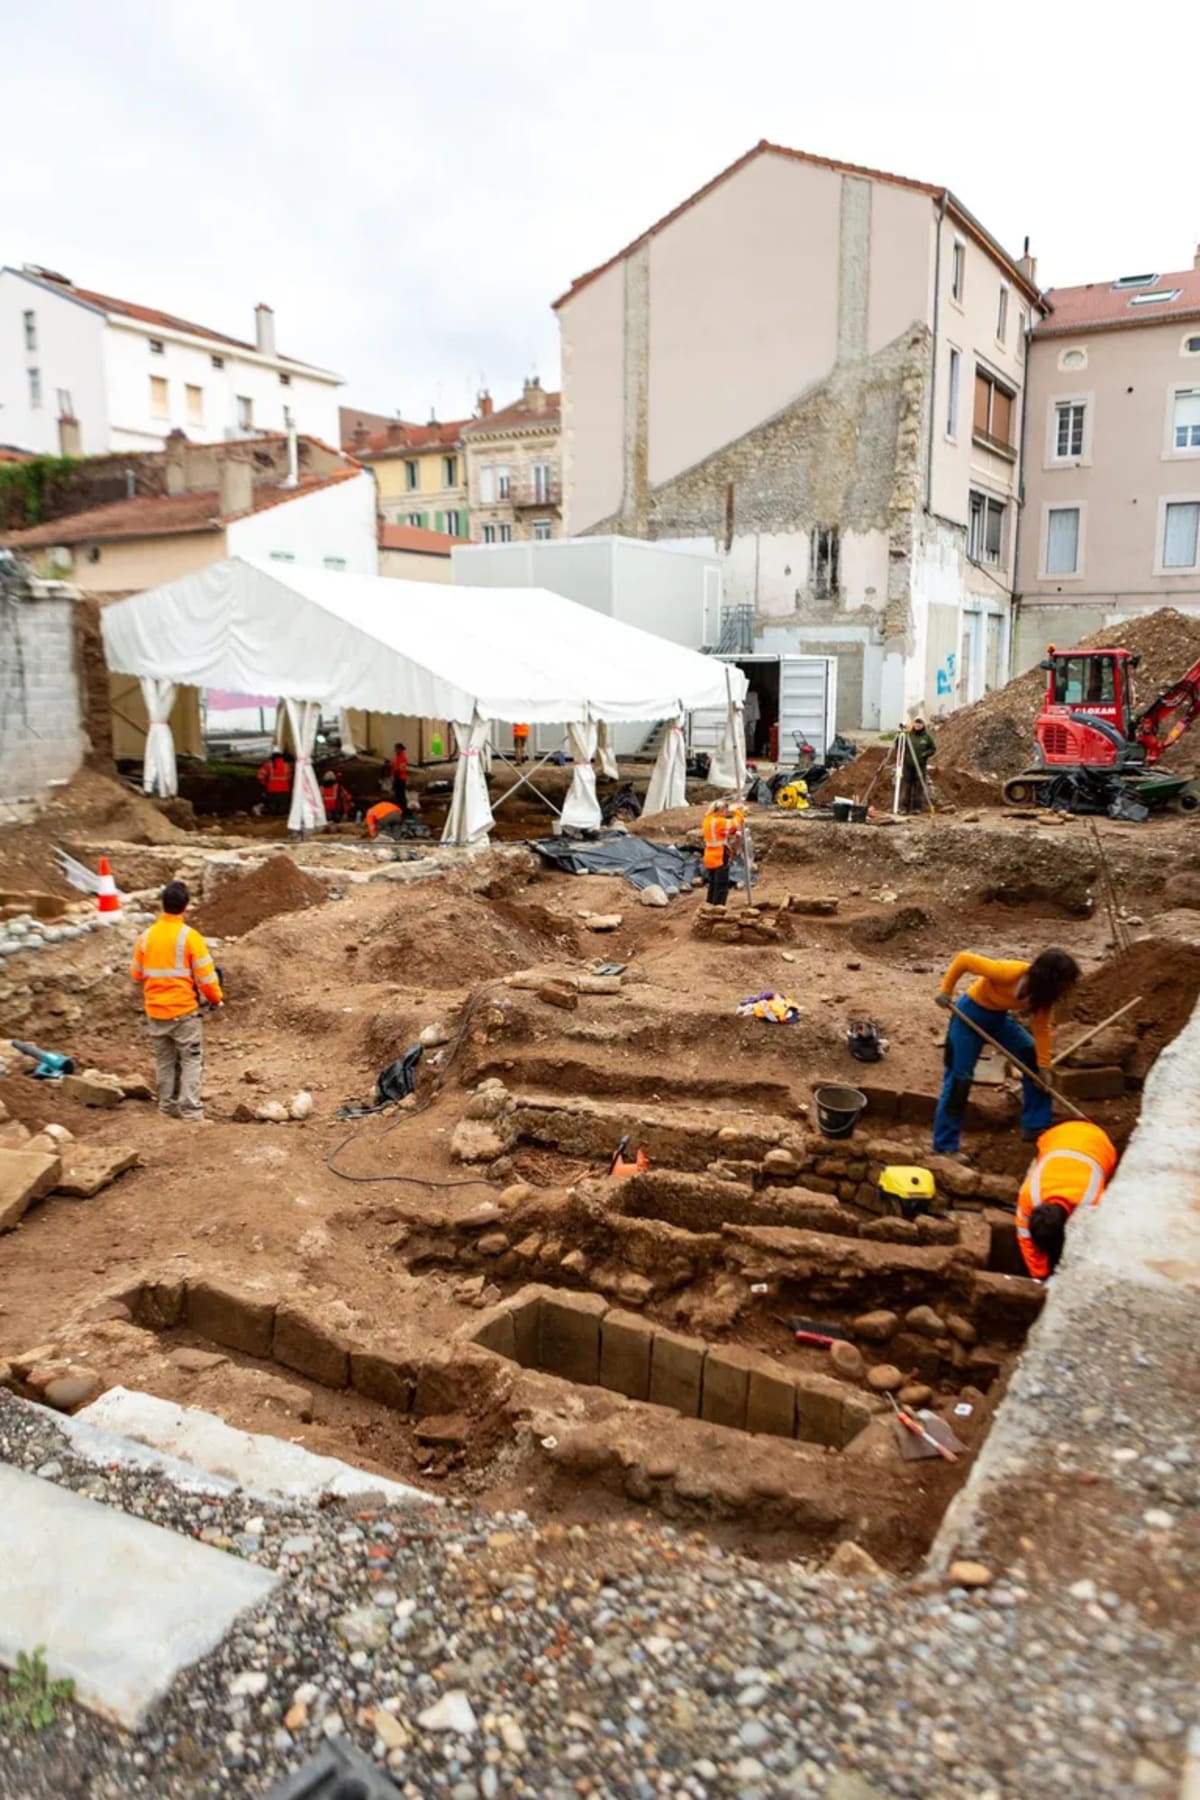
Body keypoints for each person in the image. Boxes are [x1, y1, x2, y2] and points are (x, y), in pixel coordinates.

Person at [932, 948, 1080, 1156]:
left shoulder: (1043, 997)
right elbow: (963, 960)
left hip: (998, 1019)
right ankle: (945, 1146)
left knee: (1034, 1064)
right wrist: (946, 991)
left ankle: (1035, 1126)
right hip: (968, 1015)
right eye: (1065, 983)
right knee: (959, 1081)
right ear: (1050, 979)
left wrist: (1044, 1066)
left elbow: (1042, 1030)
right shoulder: (1009, 972)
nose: (1067, 989)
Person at [130, 881, 222, 1123]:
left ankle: (167, 1108)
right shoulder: (190, 937)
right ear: (186, 907)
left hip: (155, 1011)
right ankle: (191, 1113)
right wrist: (216, 999)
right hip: (184, 1012)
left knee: (165, 1061)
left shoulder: (146, 937)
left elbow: (136, 974)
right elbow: (207, 978)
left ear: (162, 904)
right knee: (191, 1060)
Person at [1015, 1121, 1118, 1280]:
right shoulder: (1029, 1195)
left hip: (1100, 1143)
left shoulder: (1093, 1203)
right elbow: (1024, 1236)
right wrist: (1040, 1275)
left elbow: (1091, 1246)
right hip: (1055, 1135)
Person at [702, 799, 740, 906]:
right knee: (721, 885)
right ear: (719, 810)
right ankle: (718, 908)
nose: (725, 814)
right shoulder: (718, 821)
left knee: (713, 884)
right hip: (719, 855)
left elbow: (727, 830)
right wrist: (739, 812)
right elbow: (734, 824)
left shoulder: (708, 820)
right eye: (724, 811)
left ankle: (709, 906)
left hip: (710, 855)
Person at [900, 717, 936, 813]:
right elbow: (899, 745)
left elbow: (933, 749)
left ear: (923, 725)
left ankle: (916, 808)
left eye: (920, 724)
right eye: (916, 723)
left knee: (919, 786)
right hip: (908, 765)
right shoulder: (909, 735)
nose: (918, 725)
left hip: (920, 765)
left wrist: (925, 754)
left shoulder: (927, 737)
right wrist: (901, 735)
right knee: (906, 786)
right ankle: (903, 807)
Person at [257, 749, 292, 816]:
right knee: (282, 808)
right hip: (284, 789)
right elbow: (289, 777)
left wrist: (264, 784)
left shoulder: (268, 765)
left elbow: (260, 776)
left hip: (271, 790)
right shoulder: (286, 765)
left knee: (272, 808)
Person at [389, 742, 409, 812]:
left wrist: (395, 774)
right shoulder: (397, 757)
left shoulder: (402, 757)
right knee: (398, 794)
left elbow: (401, 768)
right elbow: (395, 766)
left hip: (400, 778)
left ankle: (402, 808)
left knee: (400, 794)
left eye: (396, 749)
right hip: (397, 777)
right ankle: (399, 807)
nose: (395, 750)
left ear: (400, 749)